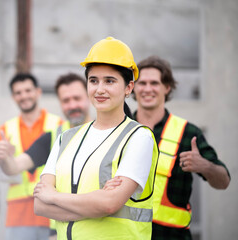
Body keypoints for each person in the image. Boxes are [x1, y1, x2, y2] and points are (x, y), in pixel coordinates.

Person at [33, 36, 159, 240]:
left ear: (128, 88)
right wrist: (95, 203)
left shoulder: (138, 137)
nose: (100, 89)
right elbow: (40, 205)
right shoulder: (66, 138)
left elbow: (109, 204)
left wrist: (54, 196)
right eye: (93, 81)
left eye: (109, 81)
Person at [132, 55, 231, 240]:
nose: (147, 89)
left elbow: (223, 181)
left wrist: (205, 165)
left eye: (154, 83)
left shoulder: (187, 133)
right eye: (142, 83)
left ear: (167, 87)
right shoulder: (120, 130)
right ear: (133, 87)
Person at [0, 72, 92, 239]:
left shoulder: (107, 132)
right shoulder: (54, 137)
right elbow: (15, 167)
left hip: (98, 226)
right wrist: (5, 158)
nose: (72, 105)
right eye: (66, 101)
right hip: (60, 230)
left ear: (89, 96)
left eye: (77, 98)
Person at [0, 73, 63, 240]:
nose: (23, 96)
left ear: (38, 92)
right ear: (13, 97)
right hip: (18, 218)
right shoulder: (6, 129)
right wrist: (0, 156)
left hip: (53, 215)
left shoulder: (59, 125)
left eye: (27, 90)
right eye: (18, 93)